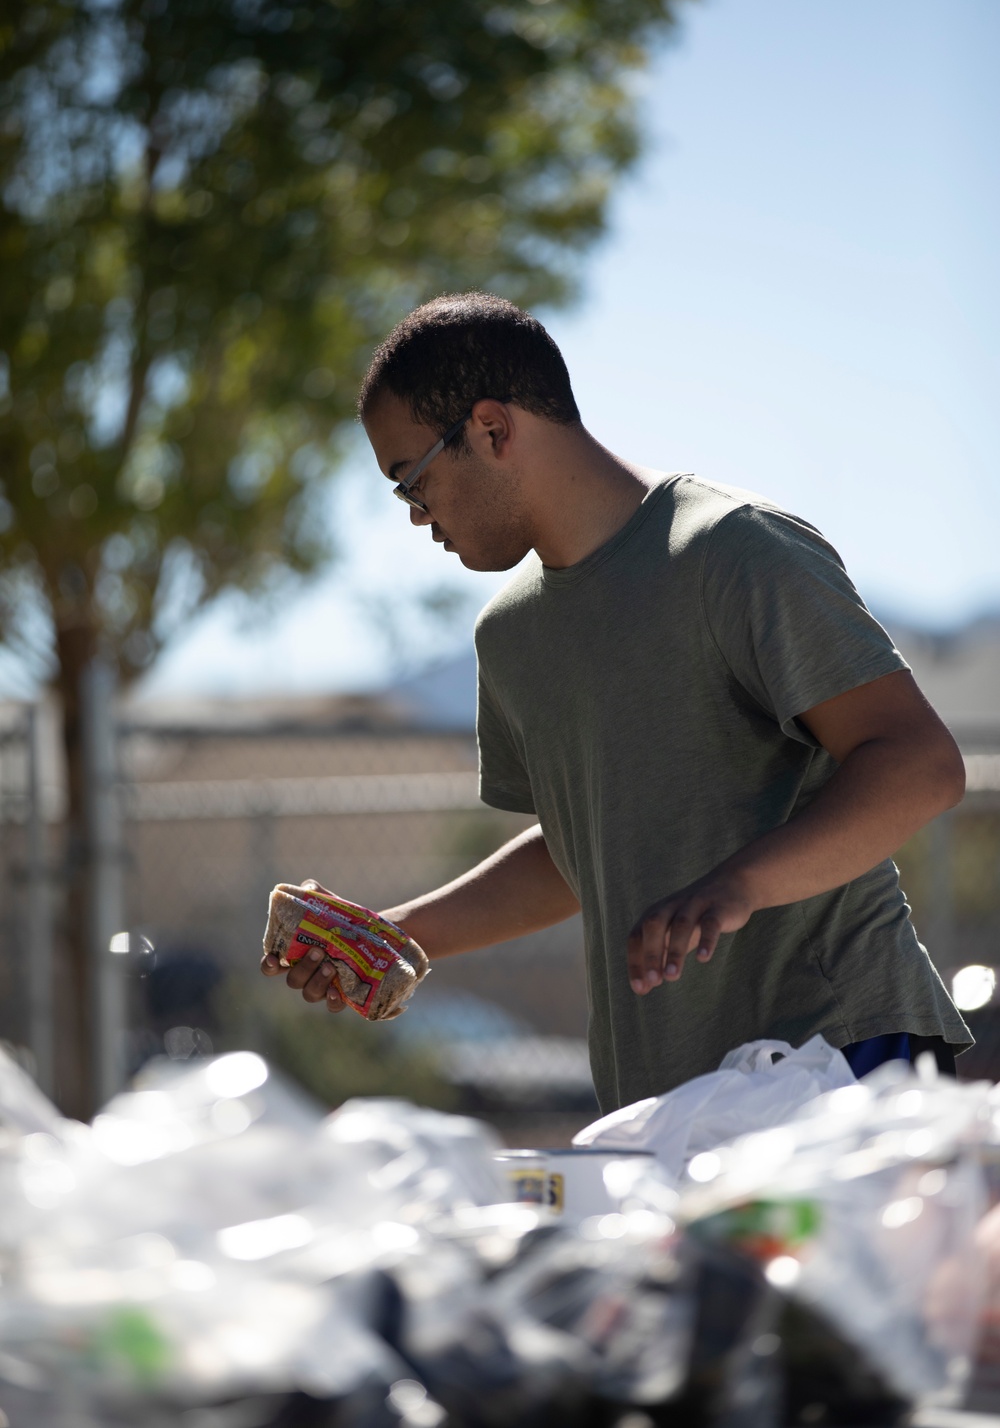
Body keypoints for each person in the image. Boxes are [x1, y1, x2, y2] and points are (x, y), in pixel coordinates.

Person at [262, 293, 971, 1111]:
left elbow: (919, 765)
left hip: (840, 1058)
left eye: (411, 481)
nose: (418, 517)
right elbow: (581, 851)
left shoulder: (733, 550)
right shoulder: (512, 635)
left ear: (491, 430)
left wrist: (736, 885)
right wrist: (401, 936)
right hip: (663, 1098)